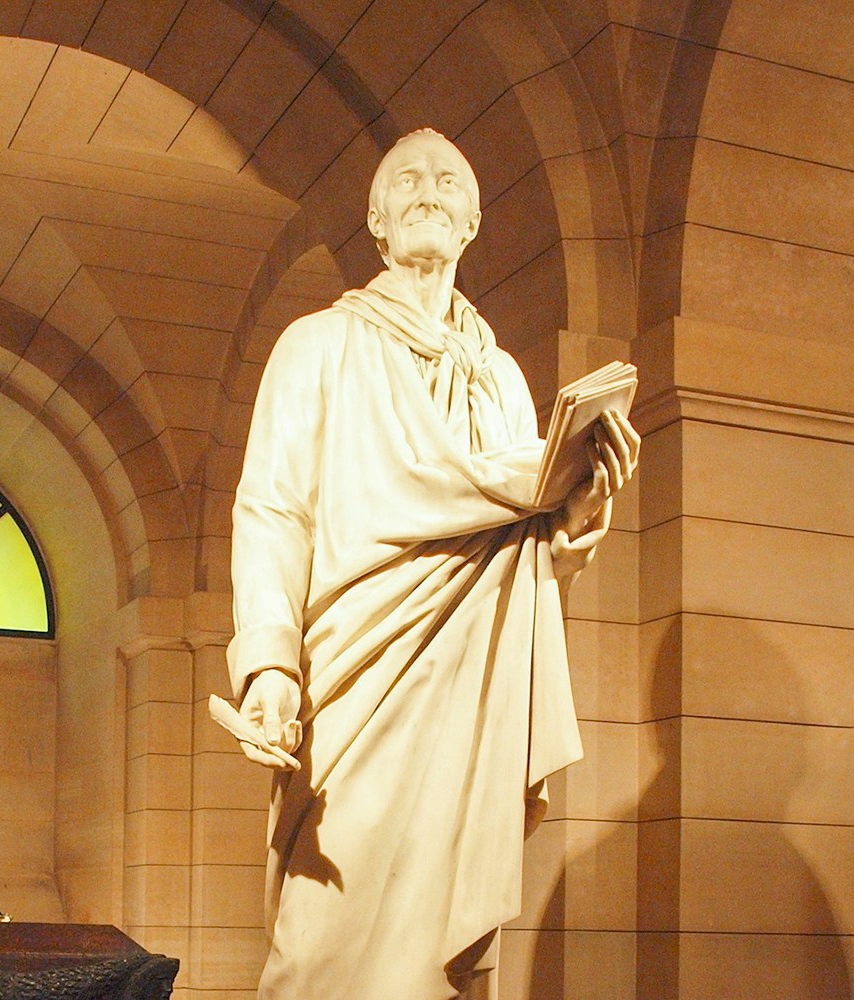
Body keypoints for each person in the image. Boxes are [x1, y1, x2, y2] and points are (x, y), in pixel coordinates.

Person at [226, 128, 640, 1000]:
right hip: (356, 669)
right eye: (407, 179)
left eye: (449, 181)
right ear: (377, 220)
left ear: (472, 222)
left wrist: (576, 517)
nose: (428, 191)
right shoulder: (317, 345)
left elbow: (519, 557)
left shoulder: (502, 379)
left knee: (441, 947)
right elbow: (274, 507)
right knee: (320, 937)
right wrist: (269, 662)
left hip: (472, 684)